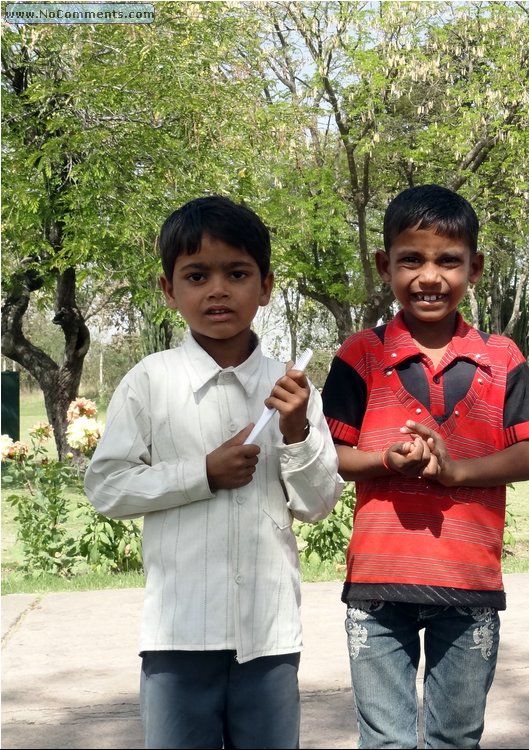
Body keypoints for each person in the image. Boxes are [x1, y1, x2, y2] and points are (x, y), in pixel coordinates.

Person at [84, 195, 344, 749]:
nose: (218, 290)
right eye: (197, 275)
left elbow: (318, 505)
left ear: (266, 286)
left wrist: (296, 430)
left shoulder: (292, 390)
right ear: (169, 289)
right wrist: (201, 472)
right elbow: (107, 487)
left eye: (238, 273)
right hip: (179, 635)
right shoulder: (149, 383)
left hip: (269, 636)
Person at [321, 184, 529, 749]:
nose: (430, 276)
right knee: (386, 741)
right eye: (411, 260)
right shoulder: (360, 356)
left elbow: (527, 456)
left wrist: (455, 473)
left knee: (457, 737)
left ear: (475, 266)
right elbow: (331, 457)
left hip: (468, 584)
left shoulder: (504, 358)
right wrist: (384, 459)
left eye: (448, 260)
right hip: (378, 586)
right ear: (384, 265)